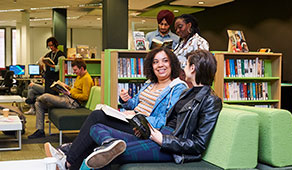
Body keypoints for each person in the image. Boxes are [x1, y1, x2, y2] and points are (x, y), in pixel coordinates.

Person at [44, 47, 188, 170]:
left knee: (97, 116)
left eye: (165, 61)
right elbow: (135, 103)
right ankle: (71, 164)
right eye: (155, 62)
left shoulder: (177, 87)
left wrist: (138, 118)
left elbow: (165, 119)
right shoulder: (150, 83)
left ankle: (68, 158)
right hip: (132, 119)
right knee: (98, 127)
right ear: (151, 65)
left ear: (172, 64)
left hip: (145, 128)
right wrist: (125, 100)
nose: (160, 65)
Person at [83, 50, 223, 169]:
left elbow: (198, 145)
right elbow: (169, 119)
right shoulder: (188, 92)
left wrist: (163, 140)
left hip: (170, 146)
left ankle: (106, 147)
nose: (183, 68)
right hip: (156, 134)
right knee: (96, 128)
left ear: (192, 68)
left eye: (186, 64)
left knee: (106, 155)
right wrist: (148, 130)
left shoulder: (211, 100)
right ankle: (109, 143)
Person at [28, 58, 94, 139]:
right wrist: (67, 88)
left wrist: (70, 93)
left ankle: (33, 99)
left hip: (73, 103)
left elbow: (85, 97)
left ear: (82, 68)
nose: (74, 72)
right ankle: (40, 130)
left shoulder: (87, 79)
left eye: (75, 70)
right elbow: (77, 91)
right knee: (39, 104)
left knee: (46, 96)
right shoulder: (79, 76)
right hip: (68, 98)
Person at [25, 37, 65, 114]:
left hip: (54, 81)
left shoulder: (61, 55)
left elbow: (58, 68)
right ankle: (32, 108)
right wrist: (42, 65)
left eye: (52, 45)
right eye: (49, 46)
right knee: (31, 90)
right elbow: (44, 66)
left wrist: (48, 64)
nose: (51, 47)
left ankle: (30, 104)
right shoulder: (48, 54)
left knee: (31, 86)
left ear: (55, 44)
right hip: (47, 80)